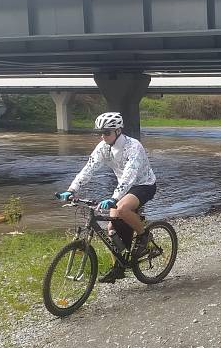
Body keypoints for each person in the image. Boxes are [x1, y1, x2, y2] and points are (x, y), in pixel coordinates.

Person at [56, 112, 157, 283]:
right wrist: (72, 190)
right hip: (124, 188)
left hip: (143, 185)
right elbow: (88, 168)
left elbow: (129, 176)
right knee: (112, 228)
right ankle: (118, 267)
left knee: (121, 208)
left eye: (107, 133)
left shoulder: (134, 146)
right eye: (100, 133)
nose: (103, 136)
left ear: (118, 131)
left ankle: (144, 235)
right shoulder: (103, 147)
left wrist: (114, 198)